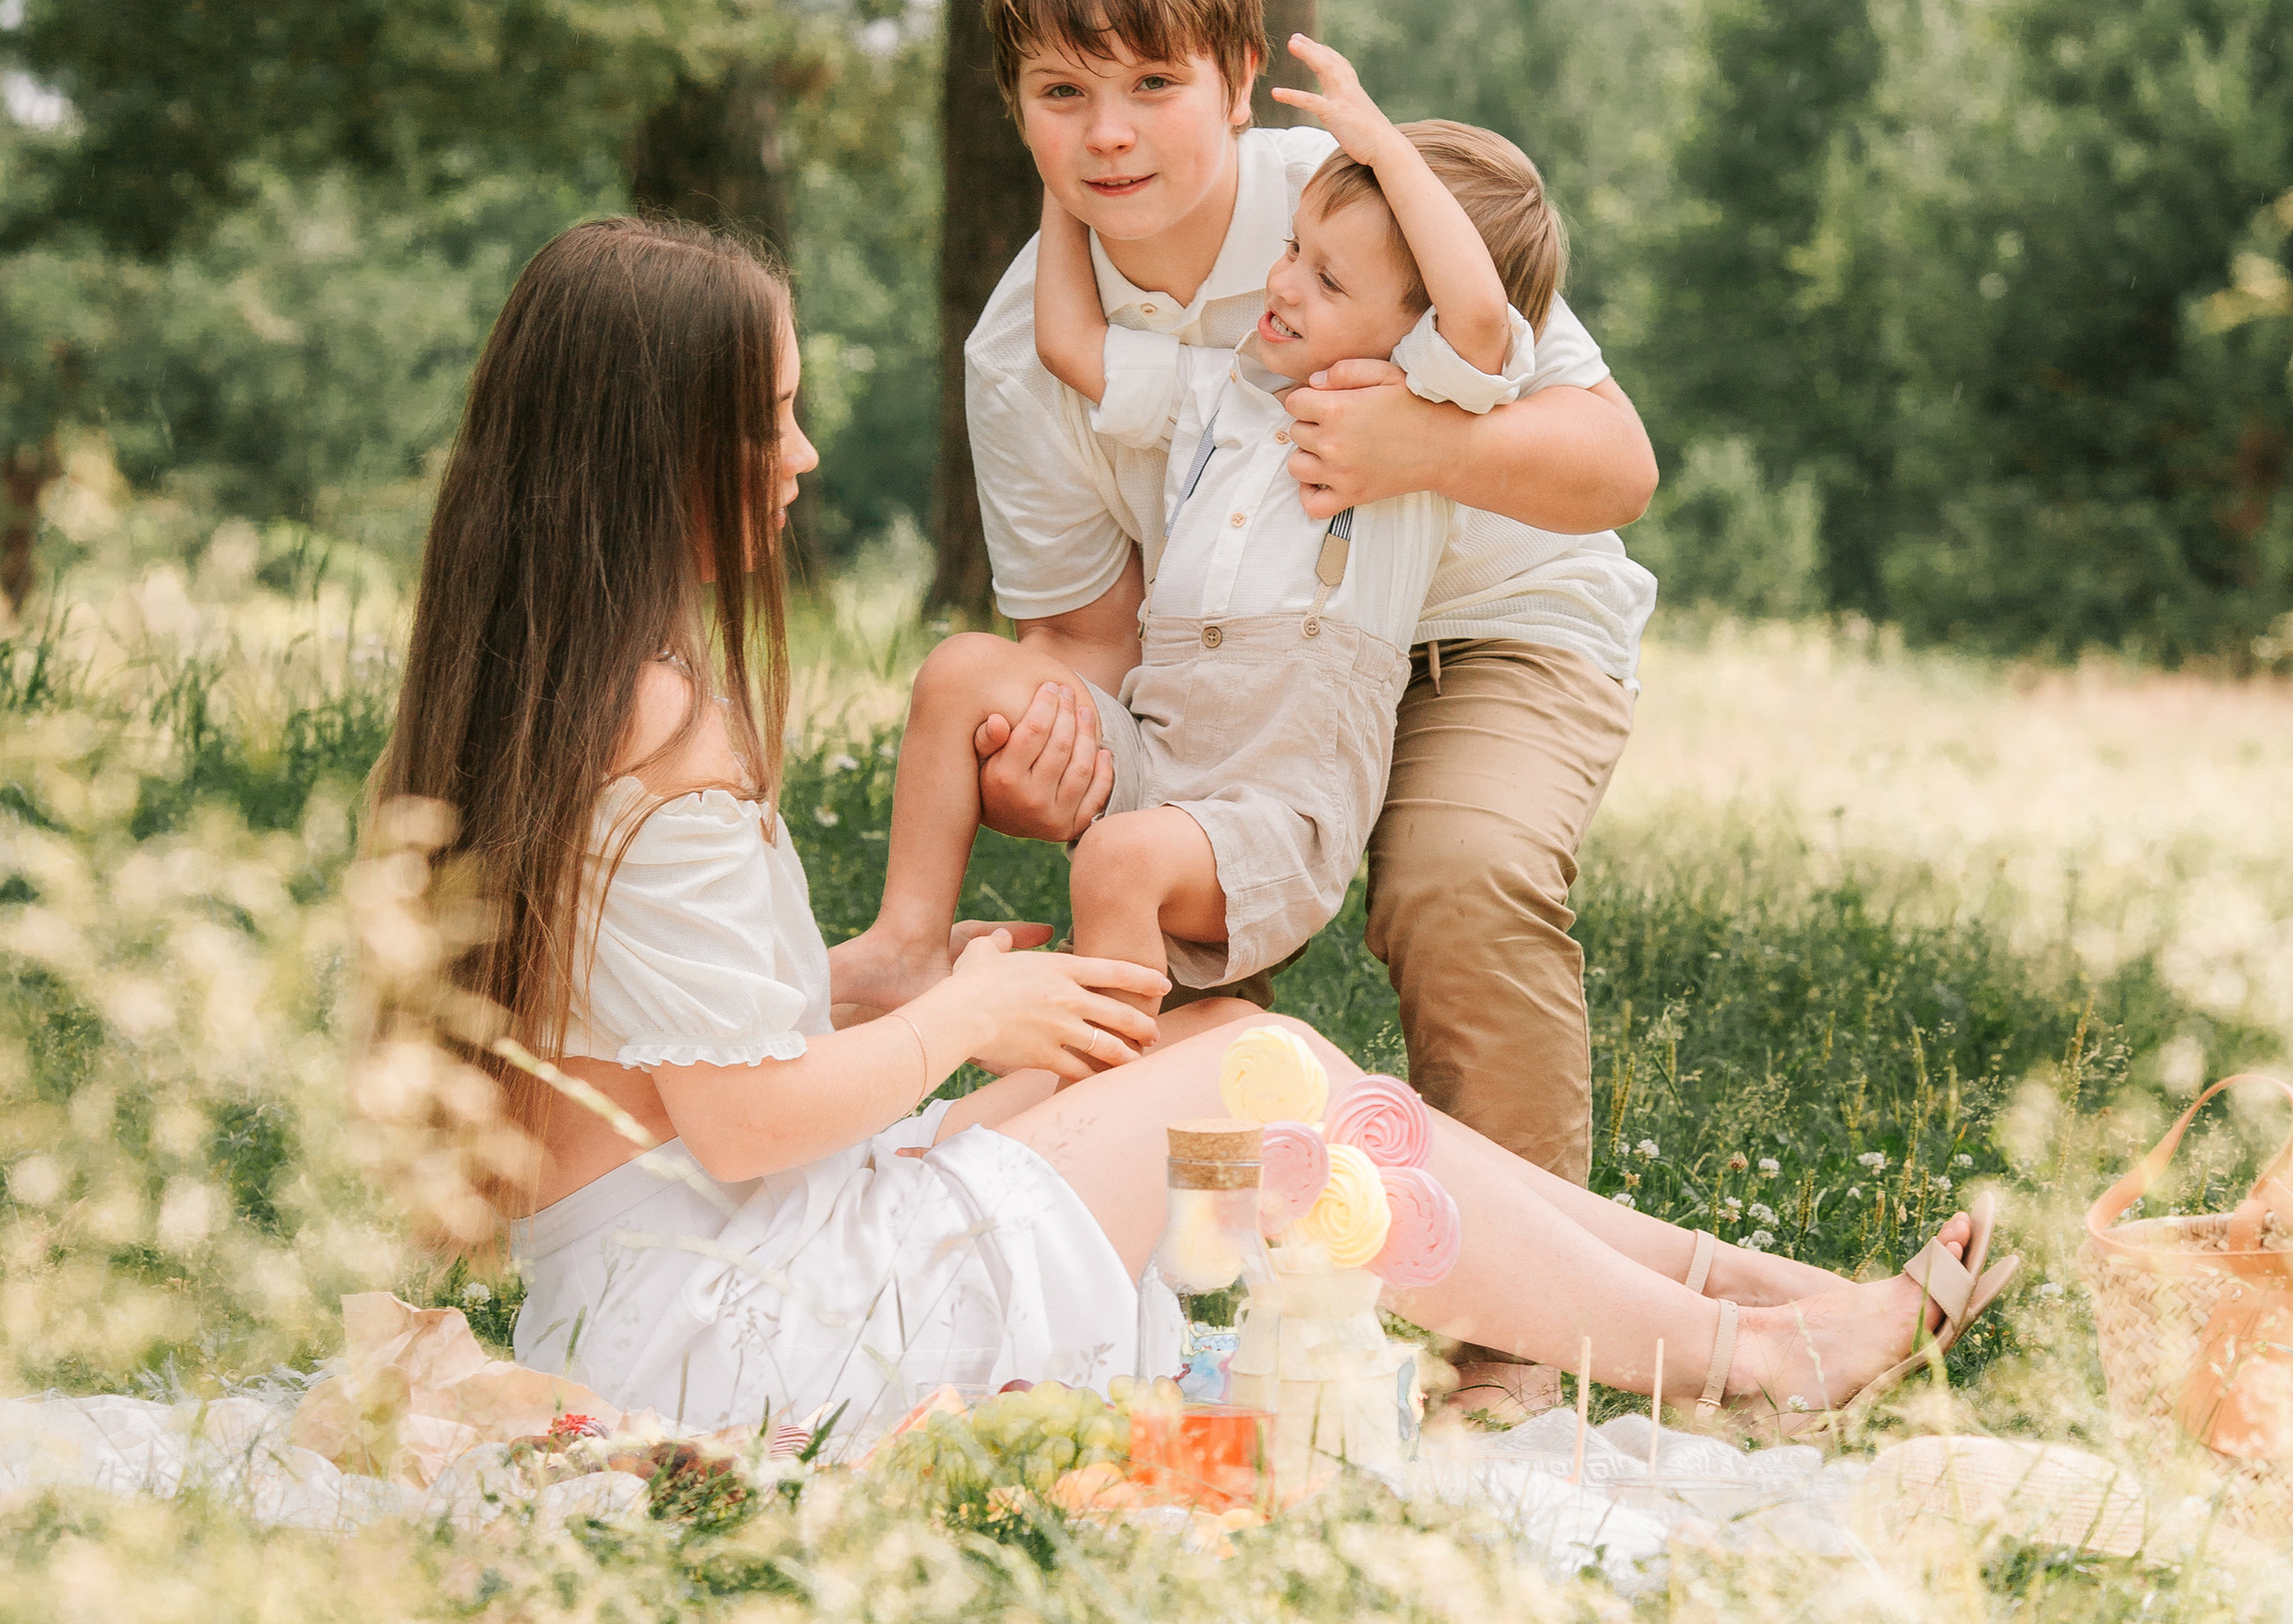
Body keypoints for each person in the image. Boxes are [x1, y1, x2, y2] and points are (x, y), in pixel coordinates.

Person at [371, 214, 2008, 1450]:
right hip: (752, 1327)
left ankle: (1730, 1293)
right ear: (655, 452)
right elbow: (738, 1131)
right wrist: (963, 1019)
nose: (801, 457)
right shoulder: (655, 722)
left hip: (691, 1286)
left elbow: (662, 1070)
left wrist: (897, 978)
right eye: (770, 421)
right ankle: (1746, 1360)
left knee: (1224, 1040)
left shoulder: (550, 697)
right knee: (1256, 1096)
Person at [959, 0, 1657, 1407]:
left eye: (1155, 84)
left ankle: (1525, 1340)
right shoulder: (1024, 353)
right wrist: (1057, 753)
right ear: (1014, 106)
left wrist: (1419, 443)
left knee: (1457, 878)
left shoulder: (1363, 205)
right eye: (1062, 94)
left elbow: (1613, 463)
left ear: (1237, 68)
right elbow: (1080, 629)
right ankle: (1197, 1291)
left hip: (1491, 618)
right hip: (1245, 668)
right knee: (1154, 885)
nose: (1112, 135)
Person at [834, 36, 1547, 1000]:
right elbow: (1070, 342)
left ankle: (1104, 1087)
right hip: (1160, 754)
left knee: (1118, 864)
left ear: (1418, 329)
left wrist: (1386, 148)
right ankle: (905, 945)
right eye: (1295, 249)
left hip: (1278, 804)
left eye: (1332, 282)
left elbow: (1481, 313)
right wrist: (1068, 186)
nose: (1286, 281)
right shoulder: (1226, 394)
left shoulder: (1433, 408)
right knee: (962, 669)